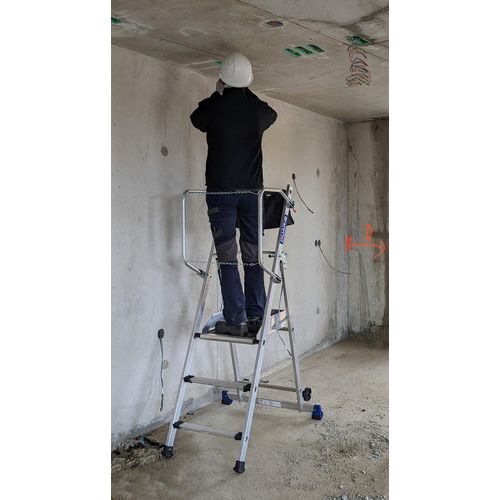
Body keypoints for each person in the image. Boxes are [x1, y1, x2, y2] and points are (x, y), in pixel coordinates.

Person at [190, 52, 277, 337]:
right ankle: (256, 316)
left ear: (223, 79)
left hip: (222, 195)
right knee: (252, 257)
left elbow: (196, 119)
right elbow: (271, 114)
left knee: (227, 257)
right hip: (252, 197)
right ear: (248, 81)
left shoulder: (214, 108)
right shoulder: (256, 111)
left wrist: (218, 94)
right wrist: (243, 93)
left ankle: (236, 318)